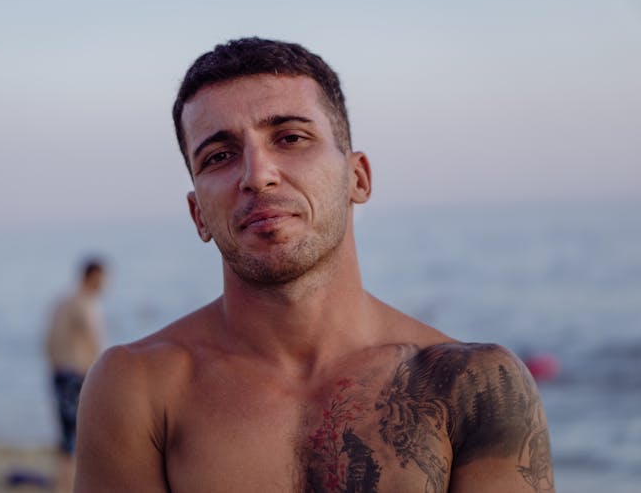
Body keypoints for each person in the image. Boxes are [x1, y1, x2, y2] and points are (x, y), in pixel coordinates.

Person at [74, 38, 554, 492]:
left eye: (290, 138)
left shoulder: (472, 385)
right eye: (220, 156)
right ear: (199, 214)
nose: (257, 176)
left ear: (358, 178)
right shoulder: (140, 388)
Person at [45, 258, 106, 493]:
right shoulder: (84, 304)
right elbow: (95, 342)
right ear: (92, 277)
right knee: (80, 439)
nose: (105, 284)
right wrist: (102, 377)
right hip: (77, 376)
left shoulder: (61, 303)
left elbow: (48, 342)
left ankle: (63, 486)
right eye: (103, 278)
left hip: (59, 374)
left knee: (66, 439)